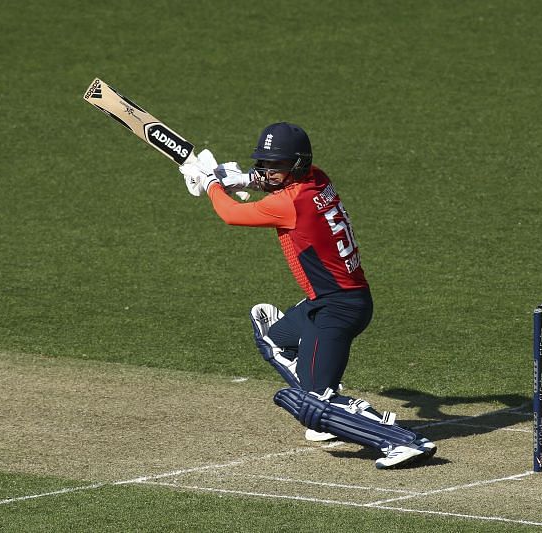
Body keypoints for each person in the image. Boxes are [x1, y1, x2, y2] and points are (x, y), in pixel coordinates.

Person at [179, 122, 436, 468]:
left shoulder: (290, 203)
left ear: (296, 165)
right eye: (264, 164)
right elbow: (270, 185)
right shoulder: (317, 179)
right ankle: (330, 408)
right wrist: (238, 180)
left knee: (314, 402)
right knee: (274, 337)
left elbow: (231, 214)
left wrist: (211, 184)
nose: (267, 171)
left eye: (276, 165)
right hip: (335, 300)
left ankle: (402, 441)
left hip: (335, 309)